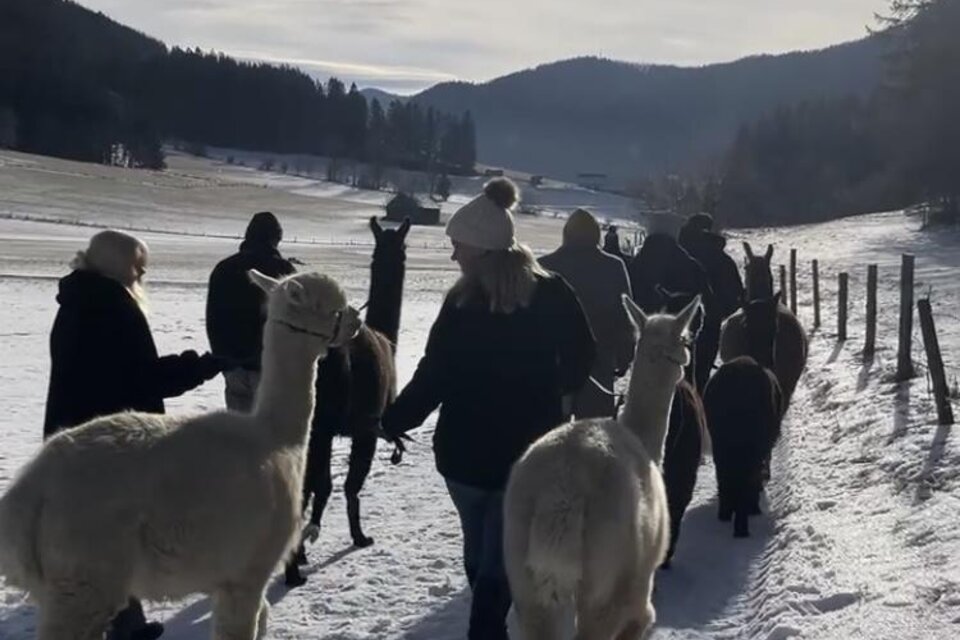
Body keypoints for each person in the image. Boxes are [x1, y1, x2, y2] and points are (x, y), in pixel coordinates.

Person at [380, 178, 595, 640]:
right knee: (490, 563)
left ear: (479, 248)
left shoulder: (460, 304)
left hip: (466, 459)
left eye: (457, 245)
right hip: (526, 456)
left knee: (487, 567)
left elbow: (433, 375)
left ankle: (487, 625)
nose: (454, 254)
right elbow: (584, 355)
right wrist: (559, 396)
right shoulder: (553, 294)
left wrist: (393, 420)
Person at [43, 229, 228, 640]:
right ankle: (117, 625)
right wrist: (199, 367)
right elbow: (142, 377)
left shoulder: (79, 301)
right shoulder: (109, 307)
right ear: (114, 264)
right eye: (136, 265)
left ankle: (126, 623)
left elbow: (122, 373)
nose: (142, 272)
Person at [540, 208, 634, 418]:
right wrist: (625, 355)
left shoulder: (545, 266)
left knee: (550, 435)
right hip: (598, 361)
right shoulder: (613, 266)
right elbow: (624, 316)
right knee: (592, 436)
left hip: (553, 365)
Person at [206, 211, 295, 411]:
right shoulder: (283, 271)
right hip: (273, 369)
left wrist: (223, 360)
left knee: (240, 436)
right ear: (276, 238)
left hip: (233, 366)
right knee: (272, 435)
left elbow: (213, 321)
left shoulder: (223, 269)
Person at [627, 212, 716, 391]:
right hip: (682, 351)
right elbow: (710, 308)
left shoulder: (634, 266)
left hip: (645, 350)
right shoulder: (692, 267)